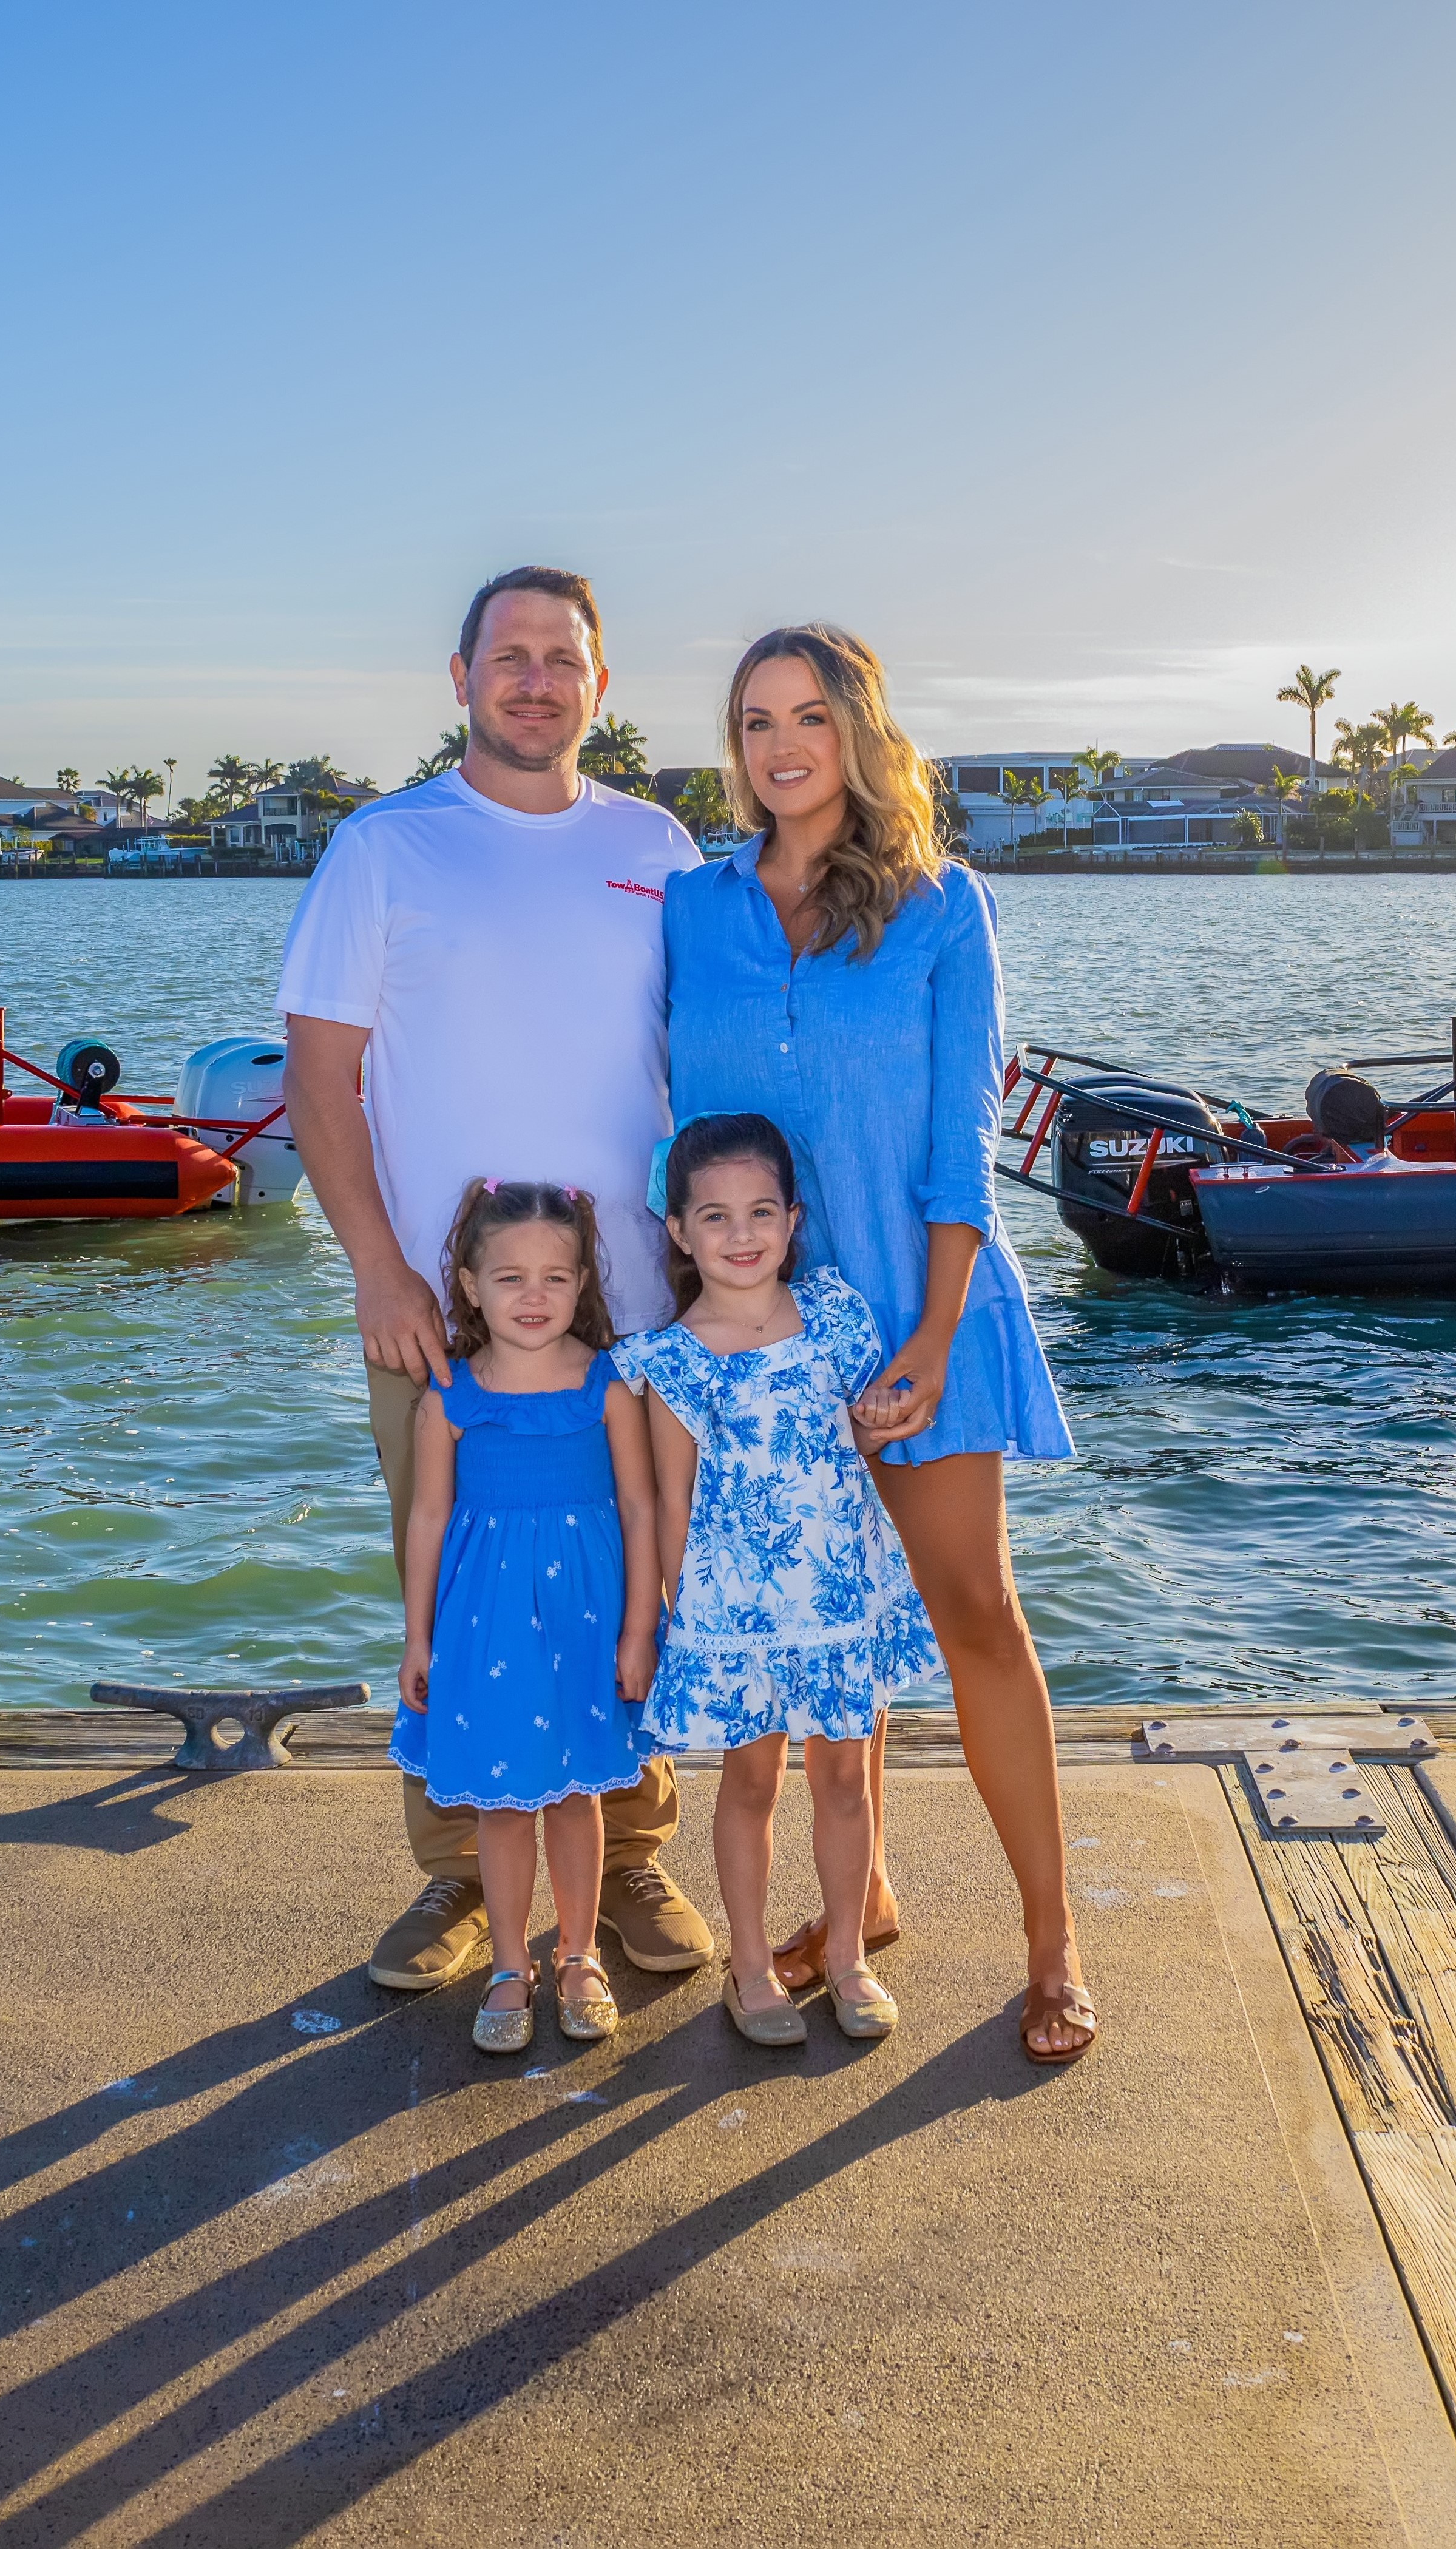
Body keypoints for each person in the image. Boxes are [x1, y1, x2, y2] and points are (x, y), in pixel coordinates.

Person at [657, 624, 1095, 2067]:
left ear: (856, 728)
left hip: (925, 1318)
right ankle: (872, 1903)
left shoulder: (938, 905)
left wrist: (927, 1334)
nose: (779, 746)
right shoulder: (687, 908)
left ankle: (1051, 1942)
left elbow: (958, 1139)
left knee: (972, 1613)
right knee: (814, 1643)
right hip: (751, 1344)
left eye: (806, 717)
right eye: (753, 721)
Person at [279, 567, 714, 1996]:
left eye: (561, 659)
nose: (535, 680)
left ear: (600, 684)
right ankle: (459, 1878)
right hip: (442, 1315)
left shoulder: (657, 843)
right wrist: (378, 1271)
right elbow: (319, 1080)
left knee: (625, 1584)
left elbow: (705, 1068)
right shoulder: (382, 848)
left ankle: (633, 1853)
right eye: (508, 656)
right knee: (462, 1593)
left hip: (635, 1317)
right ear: (456, 675)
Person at [618, 1114, 933, 2048]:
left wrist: (881, 1419)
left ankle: (846, 1956)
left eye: (760, 1212)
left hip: (840, 1595)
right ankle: (749, 1966)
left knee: (845, 1781)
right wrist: (678, 1620)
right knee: (749, 1784)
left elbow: (860, 1438)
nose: (741, 1235)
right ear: (676, 1231)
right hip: (735, 1613)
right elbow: (669, 1502)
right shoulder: (669, 1359)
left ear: (793, 1218)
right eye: (714, 1218)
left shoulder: (834, 1313)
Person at [396, 1180, 661, 2056]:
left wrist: (637, 1630)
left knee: (579, 1792)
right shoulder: (449, 1398)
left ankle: (579, 1954)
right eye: (510, 1278)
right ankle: (511, 1964)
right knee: (504, 1806)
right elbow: (428, 1519)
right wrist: (418, 1637)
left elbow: (636, 1509)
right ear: (468, 1285)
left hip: (587, 1622)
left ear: (582, 1278)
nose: (535, 1297)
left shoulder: (607, 1384)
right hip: (488, 1627)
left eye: (556, 1276)